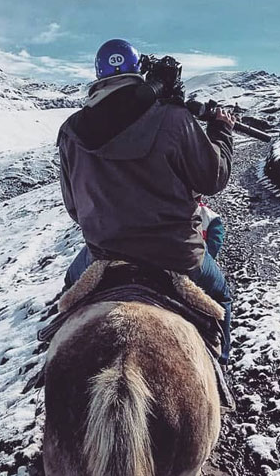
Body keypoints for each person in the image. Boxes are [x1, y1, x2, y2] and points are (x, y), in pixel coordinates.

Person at [58, 39, 236, 364]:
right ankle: (221, 370)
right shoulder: (173, 117)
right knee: (220, 294)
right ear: (139, 72)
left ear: (98, 77)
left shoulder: (71, 130)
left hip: (103, 252)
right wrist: (221, 132)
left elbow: (74, 209)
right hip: (176, 253)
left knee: (70, 289)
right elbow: (213, 178)